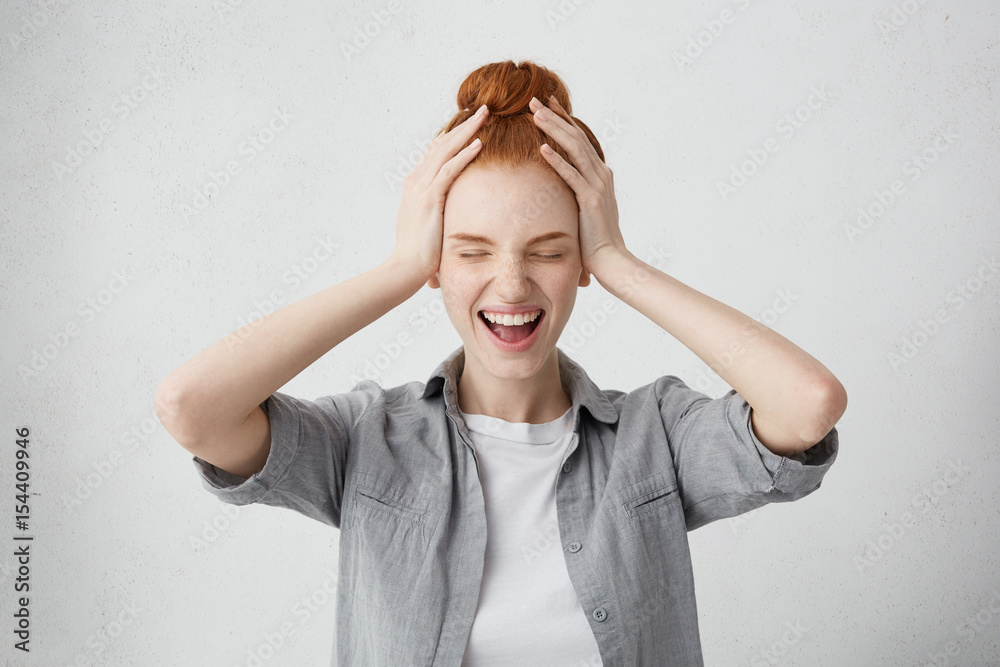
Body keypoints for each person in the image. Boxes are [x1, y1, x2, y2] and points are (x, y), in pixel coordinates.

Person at [155, 60, 846, 666]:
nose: (511, 285)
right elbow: (192, 406)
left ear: (579, 261)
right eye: (472, 250)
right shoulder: (367, 439)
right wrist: (398, 267)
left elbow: (808, 402)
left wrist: (619, 262)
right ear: (436, 261)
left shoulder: (656, 436)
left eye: (548, 249)